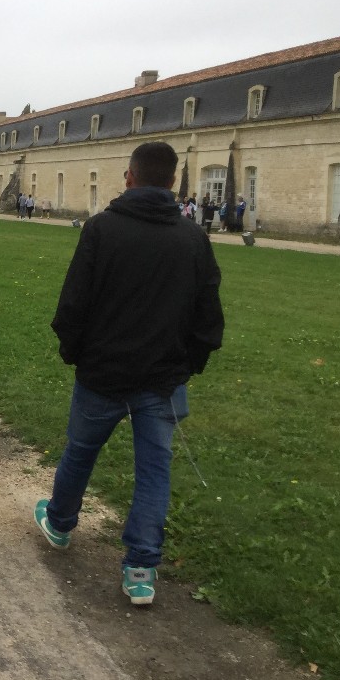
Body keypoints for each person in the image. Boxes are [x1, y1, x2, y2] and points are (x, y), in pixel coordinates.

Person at [34, 141, 224, 605]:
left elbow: (73, 304)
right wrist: (187, 366)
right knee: (154, 469)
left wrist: (74, 353)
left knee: (80, 451)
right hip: (160, 378)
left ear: (129, 177)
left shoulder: (102, 229)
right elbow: (208, 318)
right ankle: (140, 566)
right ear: (173, 182)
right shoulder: (192, 238)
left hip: (103, 371)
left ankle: (59, 523)